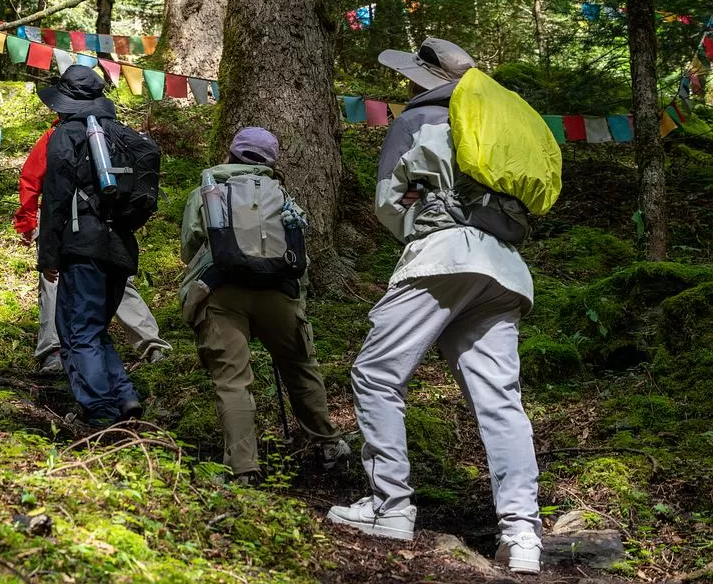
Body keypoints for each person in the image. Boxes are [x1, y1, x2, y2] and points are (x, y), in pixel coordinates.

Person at [326, 38, 543, 575]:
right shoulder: (499, 118)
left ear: (423, 78)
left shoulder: (416, 118)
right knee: (500, 400)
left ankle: (390, 507)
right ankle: (522, 534)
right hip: (505, 269)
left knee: (377, 374)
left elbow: (388, 203)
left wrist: (417, 219)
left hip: (443, 257)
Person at [179, 127, 349, 484]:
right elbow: (298, 251)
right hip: (278, 293)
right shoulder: (281, 195)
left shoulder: (207, 189)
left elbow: (190, 246)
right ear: (271, 162)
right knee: (300, 367)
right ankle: (329, 444)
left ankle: (243, 469)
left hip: (220, 291)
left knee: (232, 381)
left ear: (230, 153)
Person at [14, 123, 172, 374]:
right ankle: (151, 344)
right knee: (118, 281)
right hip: (112, 220)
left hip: (67, 223)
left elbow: (32, 179)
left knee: (53, 281)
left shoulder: (57, 134)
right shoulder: (114, 131)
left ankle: (53, 350)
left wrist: (27, 221)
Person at [36, 65, 144, 426]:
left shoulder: (67, 135)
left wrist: (48, 255)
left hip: (83, 247)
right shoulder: (120, 133)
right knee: (94, 327)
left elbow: (55, 199)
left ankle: (100, 412)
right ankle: (125, 396)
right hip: (121, 246)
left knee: (75, 329)